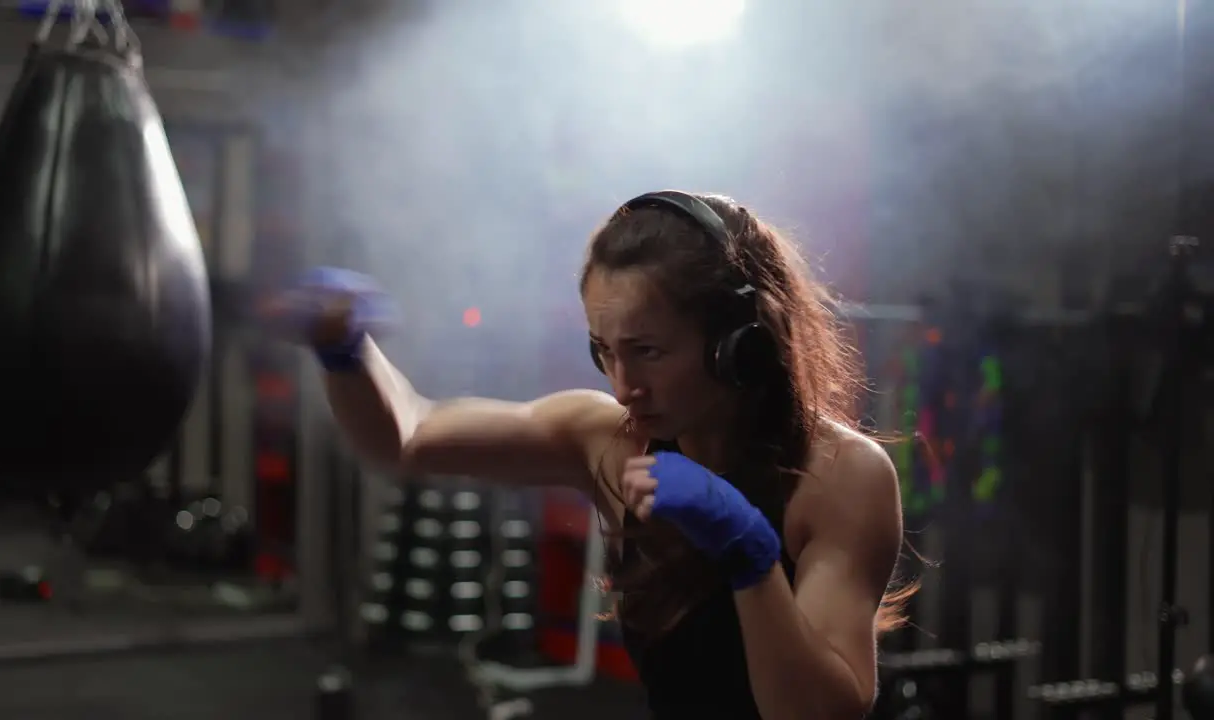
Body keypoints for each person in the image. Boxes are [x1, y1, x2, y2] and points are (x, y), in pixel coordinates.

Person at [267, 190, 913, 719]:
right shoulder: (608, 441)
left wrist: (750, 554)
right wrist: (347, 352)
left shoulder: (840, 477)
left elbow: (820, 716)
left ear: (739, 346)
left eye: (648, 351)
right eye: (603, 351)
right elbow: (406, 437)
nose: (623, 385)